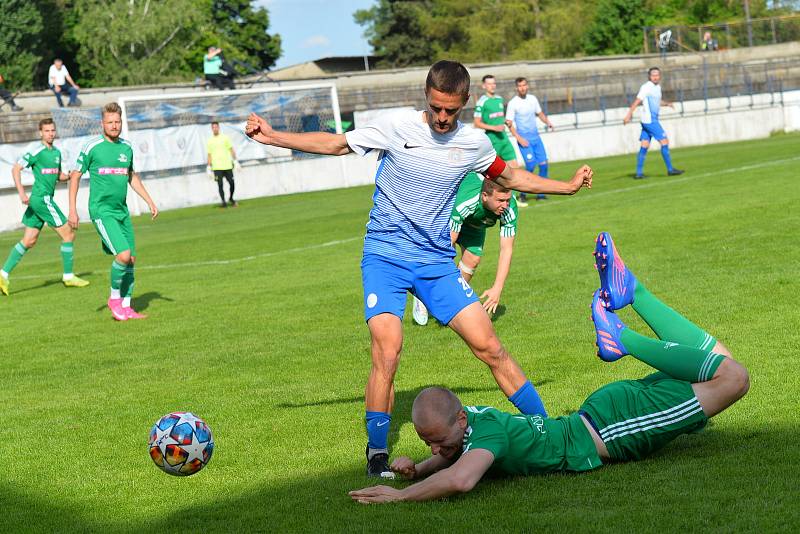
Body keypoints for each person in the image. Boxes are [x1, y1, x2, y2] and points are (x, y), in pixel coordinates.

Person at [245, 60, 593, 478]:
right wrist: (274, 136)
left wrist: (567, 186)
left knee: (491, 346)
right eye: (436, 108)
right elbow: (337, 144)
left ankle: (545, 428)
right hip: (385, 258)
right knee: (387, 351)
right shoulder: (395, 127)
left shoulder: (474, 144)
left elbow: (513, 177)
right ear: (425, 98)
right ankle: (377, 455)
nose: (443, 118)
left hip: (434, 263)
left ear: (464, 103)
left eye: (452, 111)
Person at [349, 232, 750, 503]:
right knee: (720, 363)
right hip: (602, 415)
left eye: (437, 439)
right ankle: (636, 294)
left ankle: (621, 338)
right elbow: (453, 455)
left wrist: (401, 495)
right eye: (428, 443)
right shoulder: (470, 425)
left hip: (611, 430)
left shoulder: (485, 436)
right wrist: (417, 469)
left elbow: (461, 477)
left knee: (733, 378)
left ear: (458, 419)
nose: (436, 448)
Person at [68, 102, 158, 321]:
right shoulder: (92, 147)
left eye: (117, 121)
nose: (114, 125)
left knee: (132, 258)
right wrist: (72, 210)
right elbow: (75, 176)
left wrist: (149, 200)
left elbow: (131, 177)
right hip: (102, 211)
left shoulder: (126, 147)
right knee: (123, 255)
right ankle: (114, 299)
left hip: (121, 211)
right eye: (110, 122)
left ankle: (126, 307)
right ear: (102, 123)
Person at [412, 174, 518, 326]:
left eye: (508, 200)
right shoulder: (466, 202)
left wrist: (497, 288)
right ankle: (422, 292)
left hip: (475, 225)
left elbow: (506, 250)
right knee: (447, 255)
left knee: (473, 259)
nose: (505, 205)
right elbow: (447, 246)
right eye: (501, 200)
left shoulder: (509, 209)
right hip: (449, 216)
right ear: (485, 196)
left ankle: (446, 302)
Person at [0, 119, 89, 296]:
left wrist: (70, 175)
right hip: (42, 200)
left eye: (52, 130)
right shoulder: (37, 151)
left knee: (29, 241)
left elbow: (57, 176)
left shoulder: (56, 152)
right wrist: (21, 194)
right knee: (68, 233)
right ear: (40, 133)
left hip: (40, 201)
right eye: (46, 131)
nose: (50, 133)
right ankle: (69, 276)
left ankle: (2, 275)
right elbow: (16, 169)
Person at [623, 67, 684, 180]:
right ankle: (670, 169)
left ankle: (639, 173)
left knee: (644, 145)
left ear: (659, 76)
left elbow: (657, 102)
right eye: (653, 75)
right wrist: (628, 115)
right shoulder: (646, 87)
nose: (655, 77)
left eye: (657, 75)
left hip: (647, 121)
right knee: (664, 141)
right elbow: (637, 101)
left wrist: (666, 104)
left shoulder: (657, 87)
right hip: (650, 121)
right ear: (649, 76)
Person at [473, 75, 524, 204]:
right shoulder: (481, 102)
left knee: (514, 169)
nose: (492, 86)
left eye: (494, 83)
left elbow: (500, 119)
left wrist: (506, 122)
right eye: (489, 84)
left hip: (504, 139)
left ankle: (514, 200)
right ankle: (485, 198)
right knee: (492, 174)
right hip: (492, 140)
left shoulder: (499, 100)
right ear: (484, 86)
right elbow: (476, 123)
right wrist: (493, 127)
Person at [505, 77, 554, 201]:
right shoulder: (513, 103)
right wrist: (518, 138)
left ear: (527, 86)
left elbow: (540, 113)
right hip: (524, 139)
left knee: (543, 165)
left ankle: (541, 194)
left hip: (536, 138)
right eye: (520, 86)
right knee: (531, 166)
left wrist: (548, 122)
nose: (522, 88)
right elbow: (509, 122)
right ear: (517, 88)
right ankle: (523, 194)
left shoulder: (533, 99)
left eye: (524, 85)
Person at [206, 121, 238, 208]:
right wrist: (208, 167)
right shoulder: (210, 141)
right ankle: (223, 202)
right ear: (212, 129)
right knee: (220, 184)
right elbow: (209, 155)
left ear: (218, 128)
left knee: (232, 183)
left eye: (216, 127)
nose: (215, 129)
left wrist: (235, 161)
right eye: (213, 127)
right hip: (217, 167)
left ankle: (231, 198)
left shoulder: (225, 138)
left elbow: (231, 149)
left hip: (227, 165)